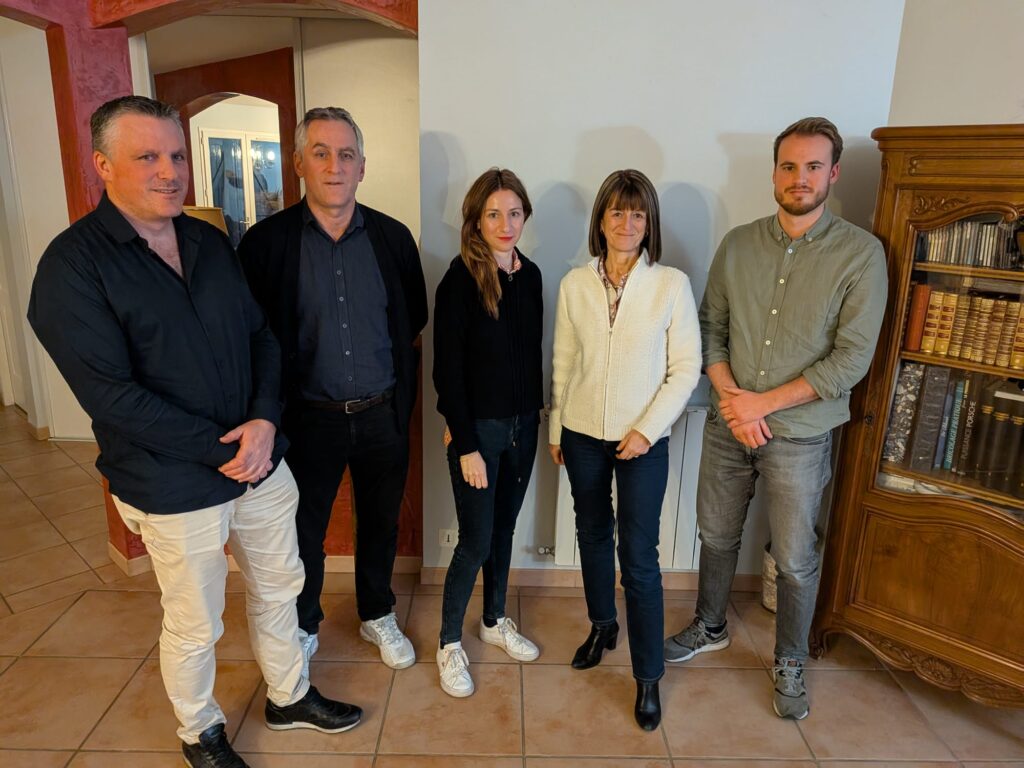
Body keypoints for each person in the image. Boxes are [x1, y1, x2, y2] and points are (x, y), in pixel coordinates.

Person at [27, 96, 361, 768]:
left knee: (282, 586)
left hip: (260, 460)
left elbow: (261, 336)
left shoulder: (209, 241)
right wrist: (225, 450)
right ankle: (199, 730)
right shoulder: (72, 267)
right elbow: (113, 397)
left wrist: (264, 422)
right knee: (195, 621)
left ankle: (289, 695)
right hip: (173, 481)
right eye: (147, 156)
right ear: (103, 165)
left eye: (176, 155)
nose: (169, 170)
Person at [664, 117, 888, 721]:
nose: (800, 178)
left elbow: (851, 360)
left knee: (793, 557)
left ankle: (789, 657)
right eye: (789, 166)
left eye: (813, 166)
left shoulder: (861, 255)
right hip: (728, 425)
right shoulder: (738, 244)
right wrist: (734, 400)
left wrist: (761, 405)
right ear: (774, 173)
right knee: (715, 534)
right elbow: (710, 328)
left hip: (801, 436)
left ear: (833, 173)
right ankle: (710, 626)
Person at [239, 107, 427, 673]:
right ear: (298, 163)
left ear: (362, 167)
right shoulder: (265, 244)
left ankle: (377, 612)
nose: (334, 166)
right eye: (320, 153)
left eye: (346, 155)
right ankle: (304, 622)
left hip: (382, 412)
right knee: (305, 529)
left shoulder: (393, 239)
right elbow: (251, 334)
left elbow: (412, 318)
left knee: (381, 522)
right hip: (305, 420)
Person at [549, 169, 702, 730]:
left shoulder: (671, 285)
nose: (627, 223)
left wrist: (647, 430)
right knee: (592, 534)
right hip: (582, 434)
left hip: (643, 440)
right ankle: (602, 626)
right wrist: (557, 428)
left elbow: (685, 369)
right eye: (617, 211)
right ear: (601, 220)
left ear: (649, 222)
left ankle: (647, 677)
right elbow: (564, 362)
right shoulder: (574, 285)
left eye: (638, 213)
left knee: (639, 558)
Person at [432, 169, 544, 697]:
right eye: (494, 214)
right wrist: (467, 445)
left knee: (503, 531)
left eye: (514, 213)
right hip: (479, 435)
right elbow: (447, 373)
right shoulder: (459, 280)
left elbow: (532, 355)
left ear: (525, 217)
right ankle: (448, 643)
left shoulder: (532, 277)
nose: (505, 224)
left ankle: (494, 620)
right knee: (475, 541)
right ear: (476, 219)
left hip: (525, 428)